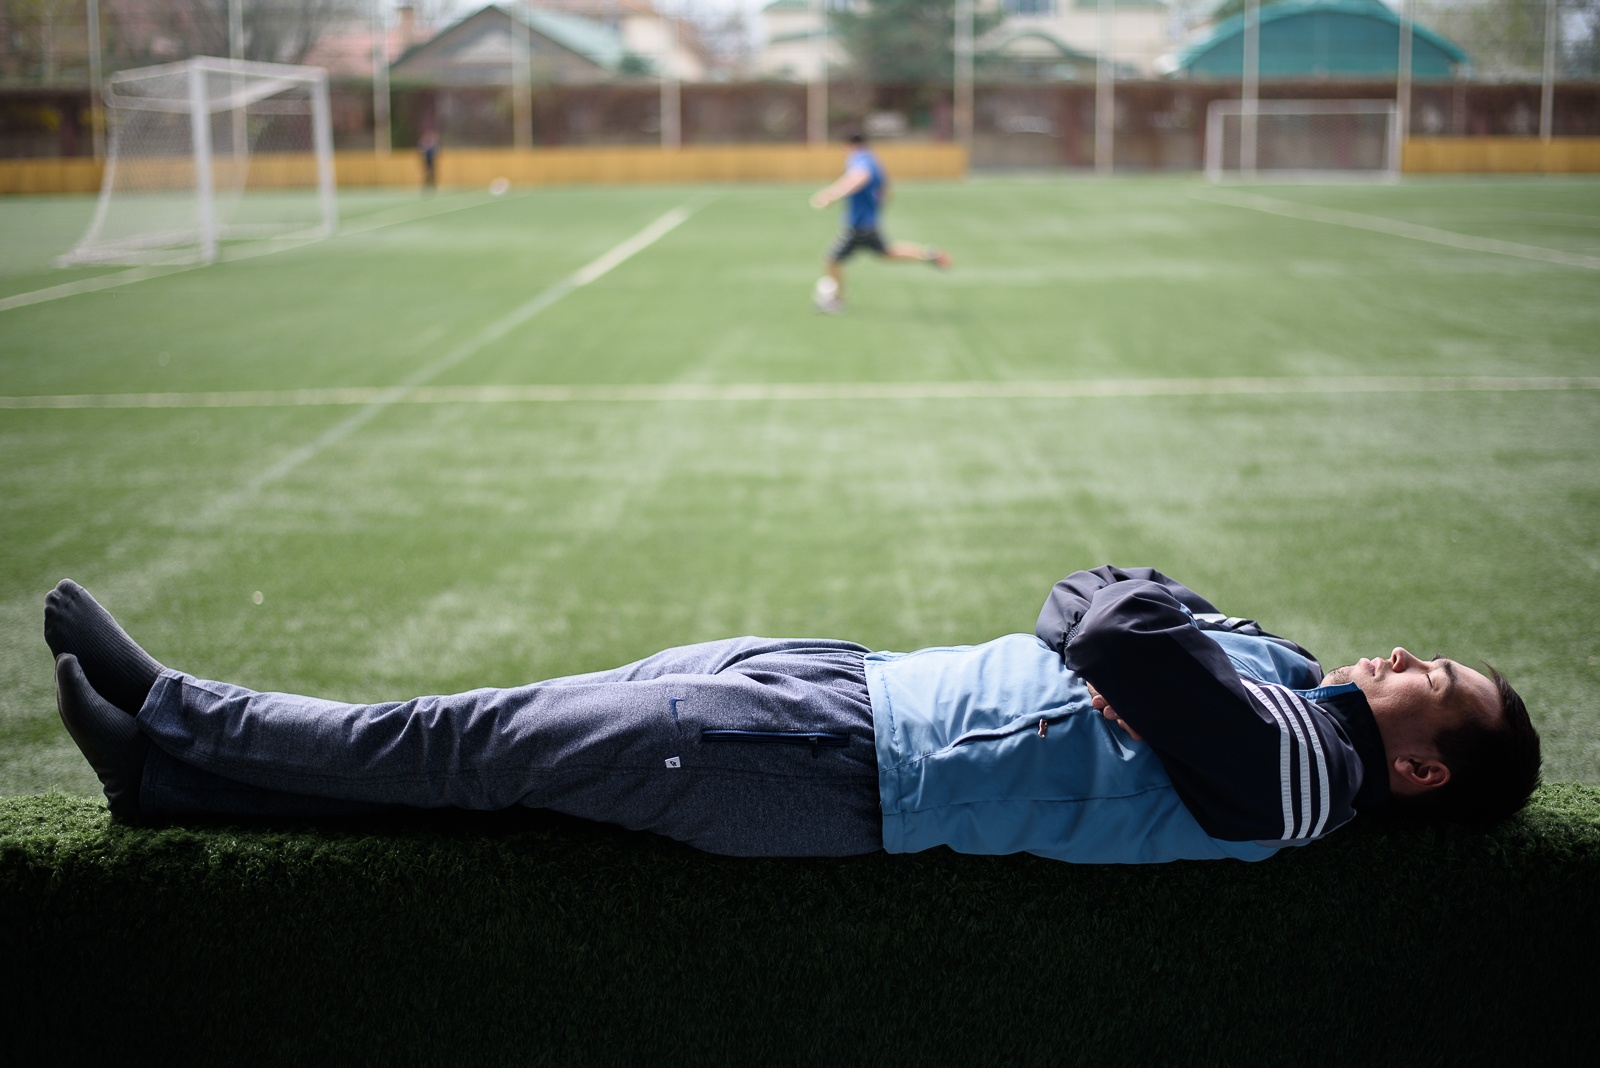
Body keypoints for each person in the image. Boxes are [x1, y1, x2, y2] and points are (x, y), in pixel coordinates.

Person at [45, 566, 1541, 863]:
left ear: (1418, 772)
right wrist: (1134, 640)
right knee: (490, 772)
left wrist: (1131, 643)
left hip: (828, 764)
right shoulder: (1284, 689)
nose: (1408, 655)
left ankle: (177, 705)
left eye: (1437, 684)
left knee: (468, 742)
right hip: (836, 683)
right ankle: (173, 784)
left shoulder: (1302, 776)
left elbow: (1107, 614)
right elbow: (1128, 599)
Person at [808, 132, 952, 314]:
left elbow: (859, 178)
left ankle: (836, 301)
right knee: (887, 253)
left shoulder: (859, 159)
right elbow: (885, 191)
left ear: (848, 145)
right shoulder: (873, 159)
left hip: (857, 224)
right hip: (869, 222)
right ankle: (928, 254)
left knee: (831, 260)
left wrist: (831, 195)